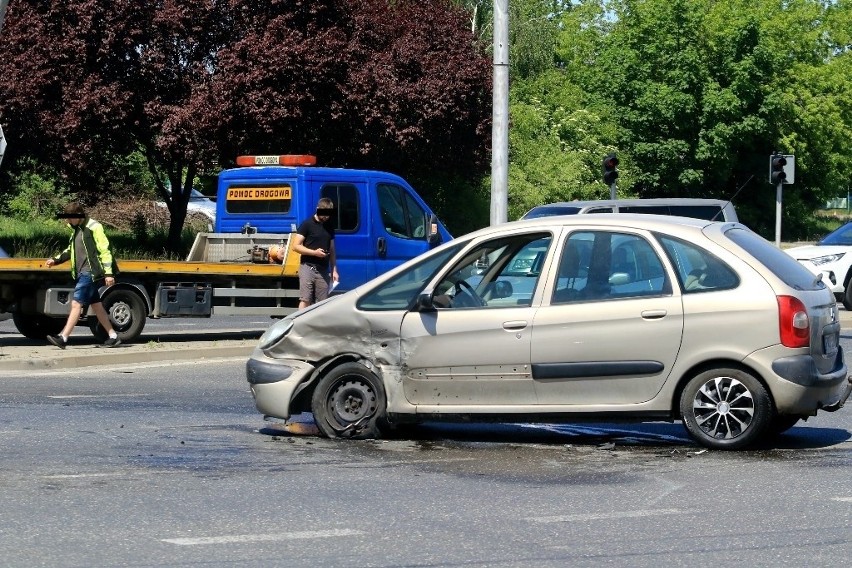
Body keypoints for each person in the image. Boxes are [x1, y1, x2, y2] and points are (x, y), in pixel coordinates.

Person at [44, 201, 121, 348]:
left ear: (79, 215)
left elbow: (105, 250)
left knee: (76, 304)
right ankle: (113, 336)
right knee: (97, 306)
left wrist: (109, 273)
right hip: (81, 272)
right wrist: (55, 260)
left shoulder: (94, 227)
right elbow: (69, 250)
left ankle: (63, 337)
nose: (68, 221)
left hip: (90, 273)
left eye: (70, 218)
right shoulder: (76, 230)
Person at [292, 197, 339, 309]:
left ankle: (318, 326)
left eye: (328, 214)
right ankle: (301, 323)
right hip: (307, 267)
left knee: (322, 303)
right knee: (305, 299)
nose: (326, 217)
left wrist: (334, 270)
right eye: (324, 214)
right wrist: (314, 253)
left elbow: (332, 249)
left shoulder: (329, 226)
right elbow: (296, 246)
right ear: (318, 209)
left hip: (323, 269)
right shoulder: (307, 224)